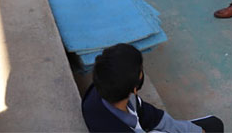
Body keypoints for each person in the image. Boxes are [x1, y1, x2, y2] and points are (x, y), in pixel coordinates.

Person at [82, 43, 224, 132]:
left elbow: (152, 116)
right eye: (141, 70)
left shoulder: (105, 85)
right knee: (215, 126)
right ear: (134, 88)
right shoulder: (109, 125)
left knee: (212, 125)